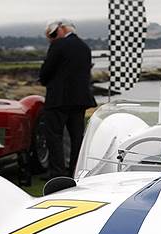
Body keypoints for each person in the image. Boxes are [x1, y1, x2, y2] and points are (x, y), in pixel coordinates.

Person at [38, 20, 96, 179]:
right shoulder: (85, 47)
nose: (51, 38)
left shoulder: (58, 45)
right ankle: (75, 170)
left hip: (58, 99)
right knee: (77, 136)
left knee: (54, 136)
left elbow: (46, 71)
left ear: (61, 29)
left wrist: (43, 80)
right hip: (80, 99)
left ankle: (57, 171)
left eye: (52, 35)